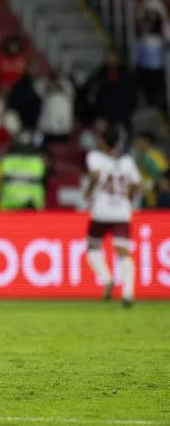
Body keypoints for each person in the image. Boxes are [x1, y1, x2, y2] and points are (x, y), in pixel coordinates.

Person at [82, 128, 142, 307]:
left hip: (101, 210)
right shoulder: (127, 161)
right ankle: (128, 292)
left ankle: (107, 279)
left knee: (93, 247)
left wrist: (88, 192)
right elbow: (137, 184)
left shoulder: (95, 157)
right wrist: (127, 199)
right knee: (123, 251)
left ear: (103, 142)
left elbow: (94, 176)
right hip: (122, 211)